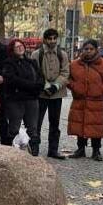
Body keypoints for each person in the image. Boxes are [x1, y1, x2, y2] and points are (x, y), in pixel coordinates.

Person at [67, 39, 103, 161]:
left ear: (96, 50)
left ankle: (96, 150)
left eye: (91, 49)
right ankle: (80, 149)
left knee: (96, 126)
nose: (88, 51)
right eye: (86, 49)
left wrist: (102, 88)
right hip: (80, 100)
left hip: (96, 100)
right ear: (82, 50)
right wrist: (74, 87)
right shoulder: (74, 64)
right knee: (80, 124)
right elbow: (67, 78)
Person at [29, 29, 69, 159]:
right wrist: (46, 85)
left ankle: (53, 150)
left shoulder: (62, 54)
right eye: (49, 38)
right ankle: (34, 149)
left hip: (57, 94)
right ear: (44, 39)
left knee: (55, 123)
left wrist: (56, 86)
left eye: (54, 38)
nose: (52, 41)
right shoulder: (36, 54)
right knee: (36, 122)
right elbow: (35, 72)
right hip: (41, 93)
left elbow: (65, 72)